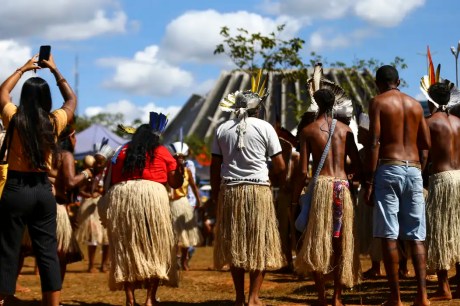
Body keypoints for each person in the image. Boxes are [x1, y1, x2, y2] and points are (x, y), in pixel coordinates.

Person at [0, 53, 76, 306]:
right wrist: (55, 71)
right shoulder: (54, 121)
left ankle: (2, 298)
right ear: (46, 99)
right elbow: (71, 99)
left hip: (16, 187)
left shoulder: (14, 117)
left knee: (8, 248)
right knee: (47, 251)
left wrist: (22, 69)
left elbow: (2, 93)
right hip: (43, 189)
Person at [211, 71, 286, 306]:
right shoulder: (265, 128)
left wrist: (216, 195)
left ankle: (239, 297)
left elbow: (215, 167)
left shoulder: (222, 129)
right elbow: (280, 165)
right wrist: (278, 180)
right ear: (258, 109)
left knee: (235, 244)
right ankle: (254, 298)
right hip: (258, 191)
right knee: (259, 244)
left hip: (230, 191)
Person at [98, 113, 184, 306]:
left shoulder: (121, 151)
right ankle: (149, 300)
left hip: (123, 197)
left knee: (126, 247)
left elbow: (109, 182)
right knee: (156, 247)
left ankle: (130, 300)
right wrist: (180, 170)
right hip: (152, 197)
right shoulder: (161, 151)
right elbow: (175, 183)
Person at [364, 65, 431, 306]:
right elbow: (425, 143)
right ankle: (422, 297)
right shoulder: (415, 104)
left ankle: (396, 298)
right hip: (413, 168)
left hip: (388, 167)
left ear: (377, 83)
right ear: (399, 80)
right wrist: (418, 169)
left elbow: (374, 142)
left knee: (388, 234)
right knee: (416, 236)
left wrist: (369, 180)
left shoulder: (378, 102)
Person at [292, 89, 360, 306]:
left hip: (321, 186)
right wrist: (349, 175)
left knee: (317, 242)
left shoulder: (308, 130)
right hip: (341, 186)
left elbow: (303, 172)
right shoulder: (346, 130)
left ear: (316, 103)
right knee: (340, 243)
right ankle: (337, 298)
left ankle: (321, 297)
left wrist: (295, 199)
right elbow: (357, 164)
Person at [423, 82, 460, 300]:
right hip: (459, 177)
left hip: (441, 179)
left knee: (440, 231)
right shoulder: (458, 122)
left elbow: (424, 156)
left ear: (431, 101)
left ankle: (444, 287)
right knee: (457, 230)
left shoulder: (429, 123)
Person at [48, 125, 92, 282]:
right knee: (61, 253)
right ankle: (53, 299)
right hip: (56, 207)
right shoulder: (65, 155)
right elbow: (71, 182)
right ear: (68, 139)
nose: (76, 140)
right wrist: (87, 173)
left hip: (38, 204)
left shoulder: (43, 152)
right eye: (74, 136)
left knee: (25, 250)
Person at [75, 145, 111, 273]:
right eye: (97, 161)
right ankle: (91, 264)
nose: (99, 163)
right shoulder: (88, 172)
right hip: (91, 208)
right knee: (93, 236)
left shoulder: (108, 174)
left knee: (107, 237)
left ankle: (104, 264)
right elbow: (80, 190)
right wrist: (90, 195)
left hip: (104, 205)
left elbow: (109, 188)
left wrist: (101, 192)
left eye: (101, 161)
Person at [168, 142, 202, 271]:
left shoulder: (188, 171)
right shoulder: (169, 171)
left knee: (186, 233)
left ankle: (184, 259)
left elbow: (193, 186)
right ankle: (176, 259)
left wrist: (198, 200)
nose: (180, 159)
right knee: (175, 233)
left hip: (184, 203)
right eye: (177, 157)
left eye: (182, 157)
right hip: (172, 203)